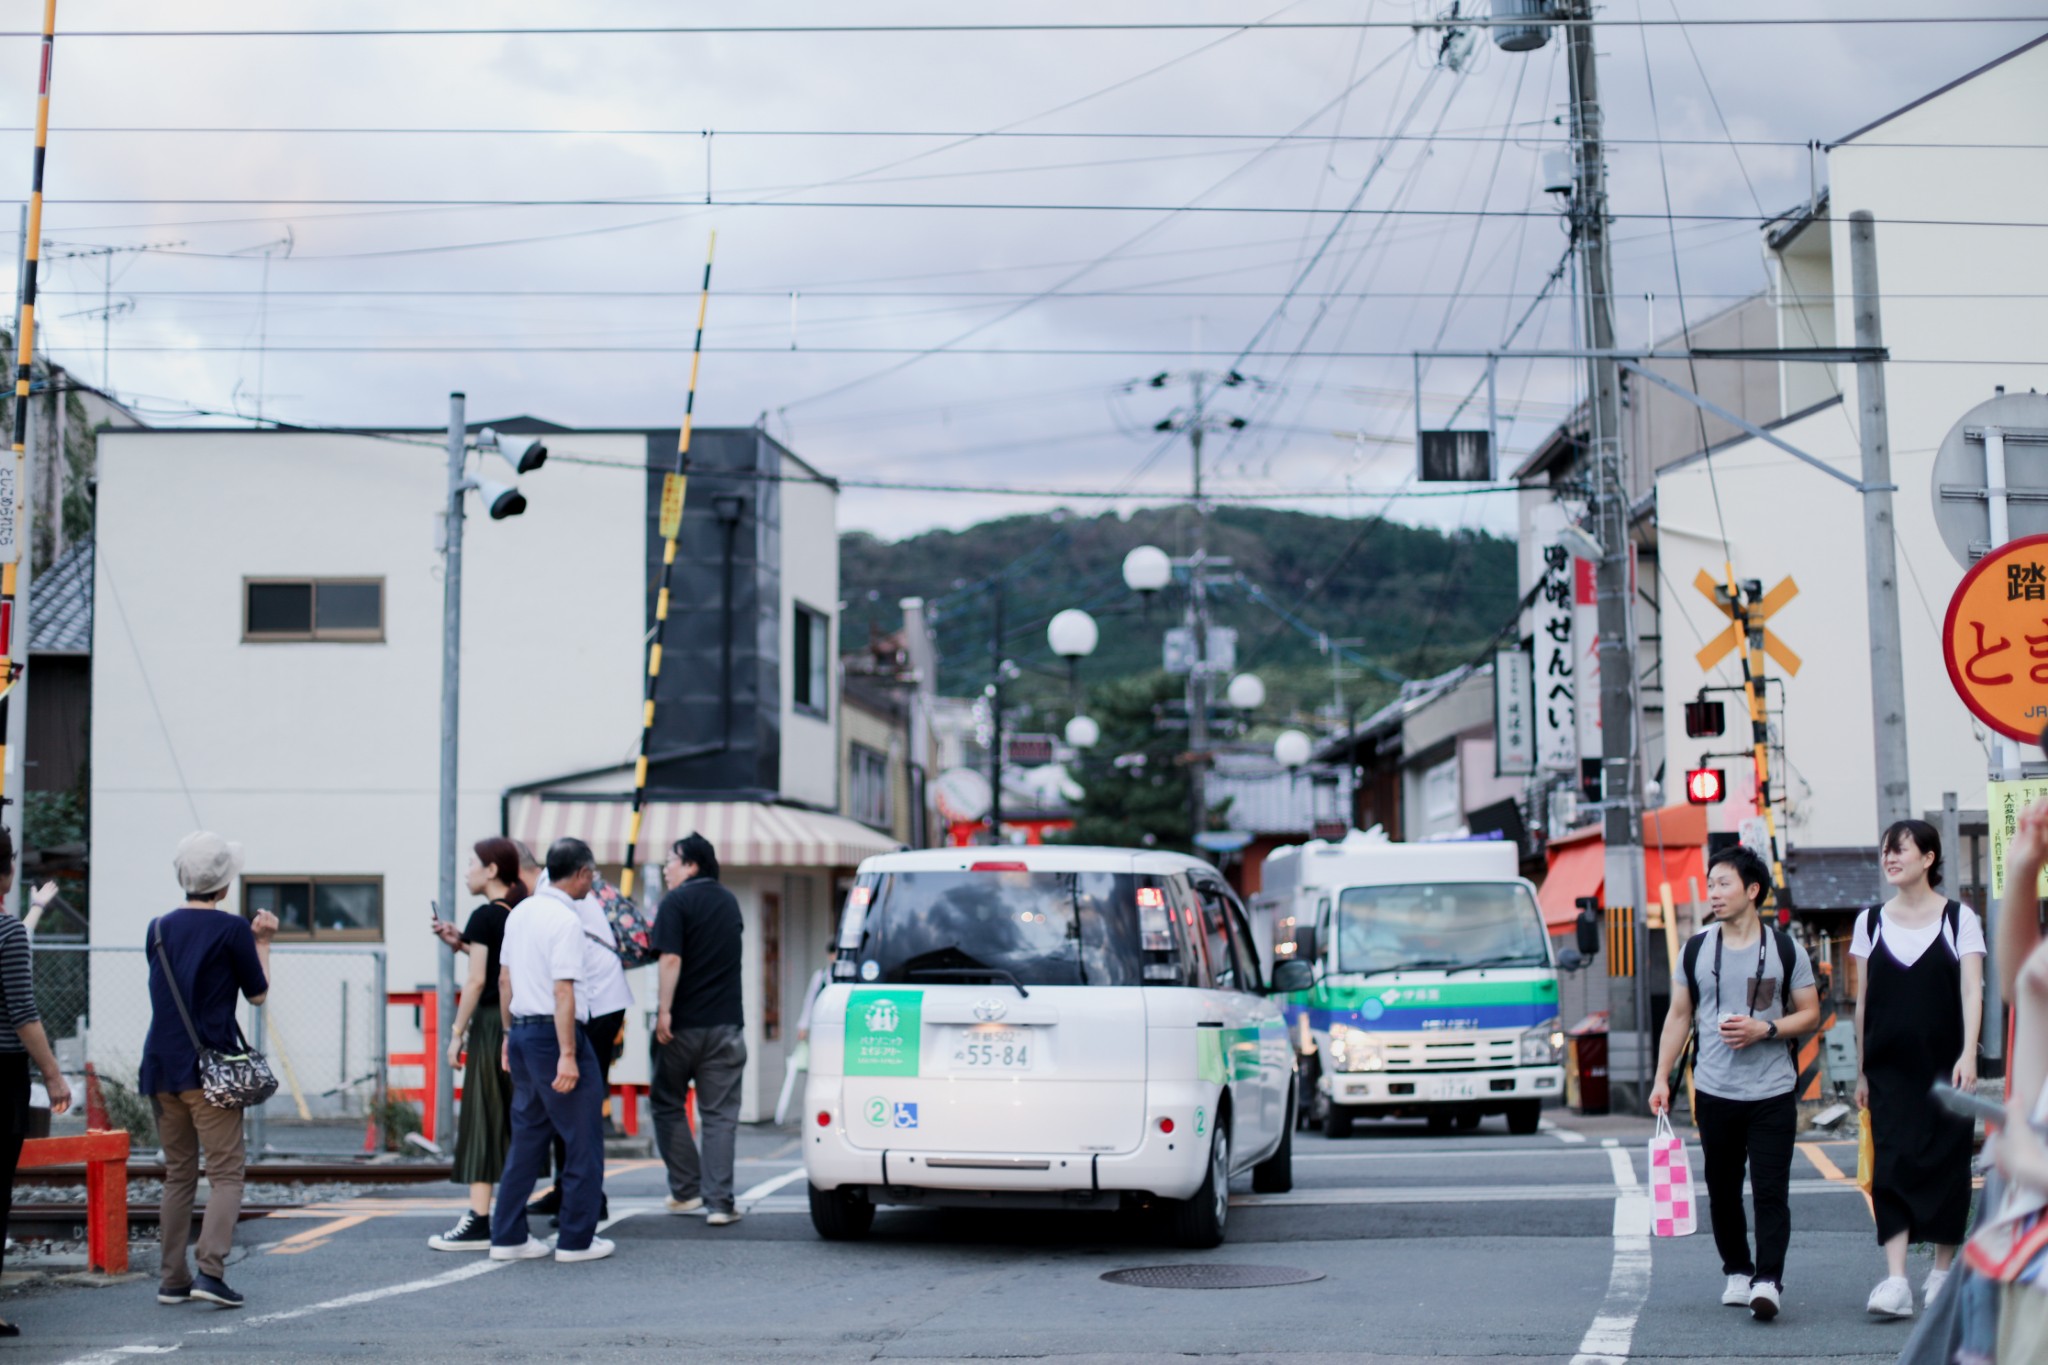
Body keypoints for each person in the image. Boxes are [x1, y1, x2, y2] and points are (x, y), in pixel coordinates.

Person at [1649, 844, 1821, 1322]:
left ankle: (1768, 1281)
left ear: (1752, 890)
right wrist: (1662, 1077)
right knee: (1722, 1189)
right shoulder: (1697, 949)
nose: (1714, 893)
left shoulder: (1786, 949)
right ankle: (1737, 1271)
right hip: (1714, 1091)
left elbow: (1809, 1014)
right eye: (1711, 884)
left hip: (1772, 1092)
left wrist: (1765, 1029)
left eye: (1724, 884)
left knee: (1770, 1191)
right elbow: (1678, 1017)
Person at [1851, 818, 1985, 1319]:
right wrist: (1862, 1069)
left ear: (1928, 858)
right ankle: (1896, 1281)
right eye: (1886, 850)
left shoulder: (1959, 919)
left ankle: (1944, 1272)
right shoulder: (1869, 922)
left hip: (1947, 1067)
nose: (1890, 858)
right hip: (1888, 1069)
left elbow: (1973, 990)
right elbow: (1863, 1002)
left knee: (1948, 1165)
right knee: (1892, 1164)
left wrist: (1969, 1053)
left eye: (1900, 850)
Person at [140, 832, 274, 1309]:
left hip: (160, 1066)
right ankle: (211, 1272)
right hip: (212, 1072)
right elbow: (257, 994)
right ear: (223, 885)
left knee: (178, 1175)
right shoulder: (232, 929)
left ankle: (171, 1279)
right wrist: (263, 941)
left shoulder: (158, 928)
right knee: (225, 1174)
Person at [489, 837, 611, 1264]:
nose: (591, 884)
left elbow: (504, 981)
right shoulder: (565, 920)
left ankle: (507, 1236)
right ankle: (576, 1240)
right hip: (553, 1036)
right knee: (582, 1138)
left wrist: (508, 1036)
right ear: (580, 873)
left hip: (521, 1032)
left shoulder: (520, 912)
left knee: (528, 1138)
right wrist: (568, 1053)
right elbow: (564, 992)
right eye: (591, 875)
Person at [425, 837, 526, 1251]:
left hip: (488, 1025)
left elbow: (477, 979)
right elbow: (496, 959)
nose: (467, 870)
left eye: (472, 863)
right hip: (519, 1023)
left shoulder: (486, 915)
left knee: (481, 1116)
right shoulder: (518, 911)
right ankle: (509, 1214)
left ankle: (480, 1218)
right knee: (514, 1118)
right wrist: (461, 942)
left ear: (491, 870)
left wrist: (455, 1035)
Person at [525, 864, 635, 1225]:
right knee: (571, 1103)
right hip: (603, 1002)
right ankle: (568, 1193)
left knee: (576, 1104)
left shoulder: (549, 894)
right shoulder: (551, 894)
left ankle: (584, 1200)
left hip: (596, 1005)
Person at [650, 833, 746, 1225]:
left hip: (682, 1025)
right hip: (725, 1025)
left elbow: (670, 958)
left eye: (671, 860)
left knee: (667, 1101)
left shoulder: (676, 901)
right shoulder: (728, 900)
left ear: (691, 865)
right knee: (720, 1114)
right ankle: (720, 1204)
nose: (665, 868)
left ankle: (687, 1191)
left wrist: (664, 1011)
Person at [0, 828, 70, 1338]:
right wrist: (53, 1075)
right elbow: (23, 1012)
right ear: (4, 874)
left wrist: (36, 910)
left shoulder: (12, 932)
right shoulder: (7, 933)